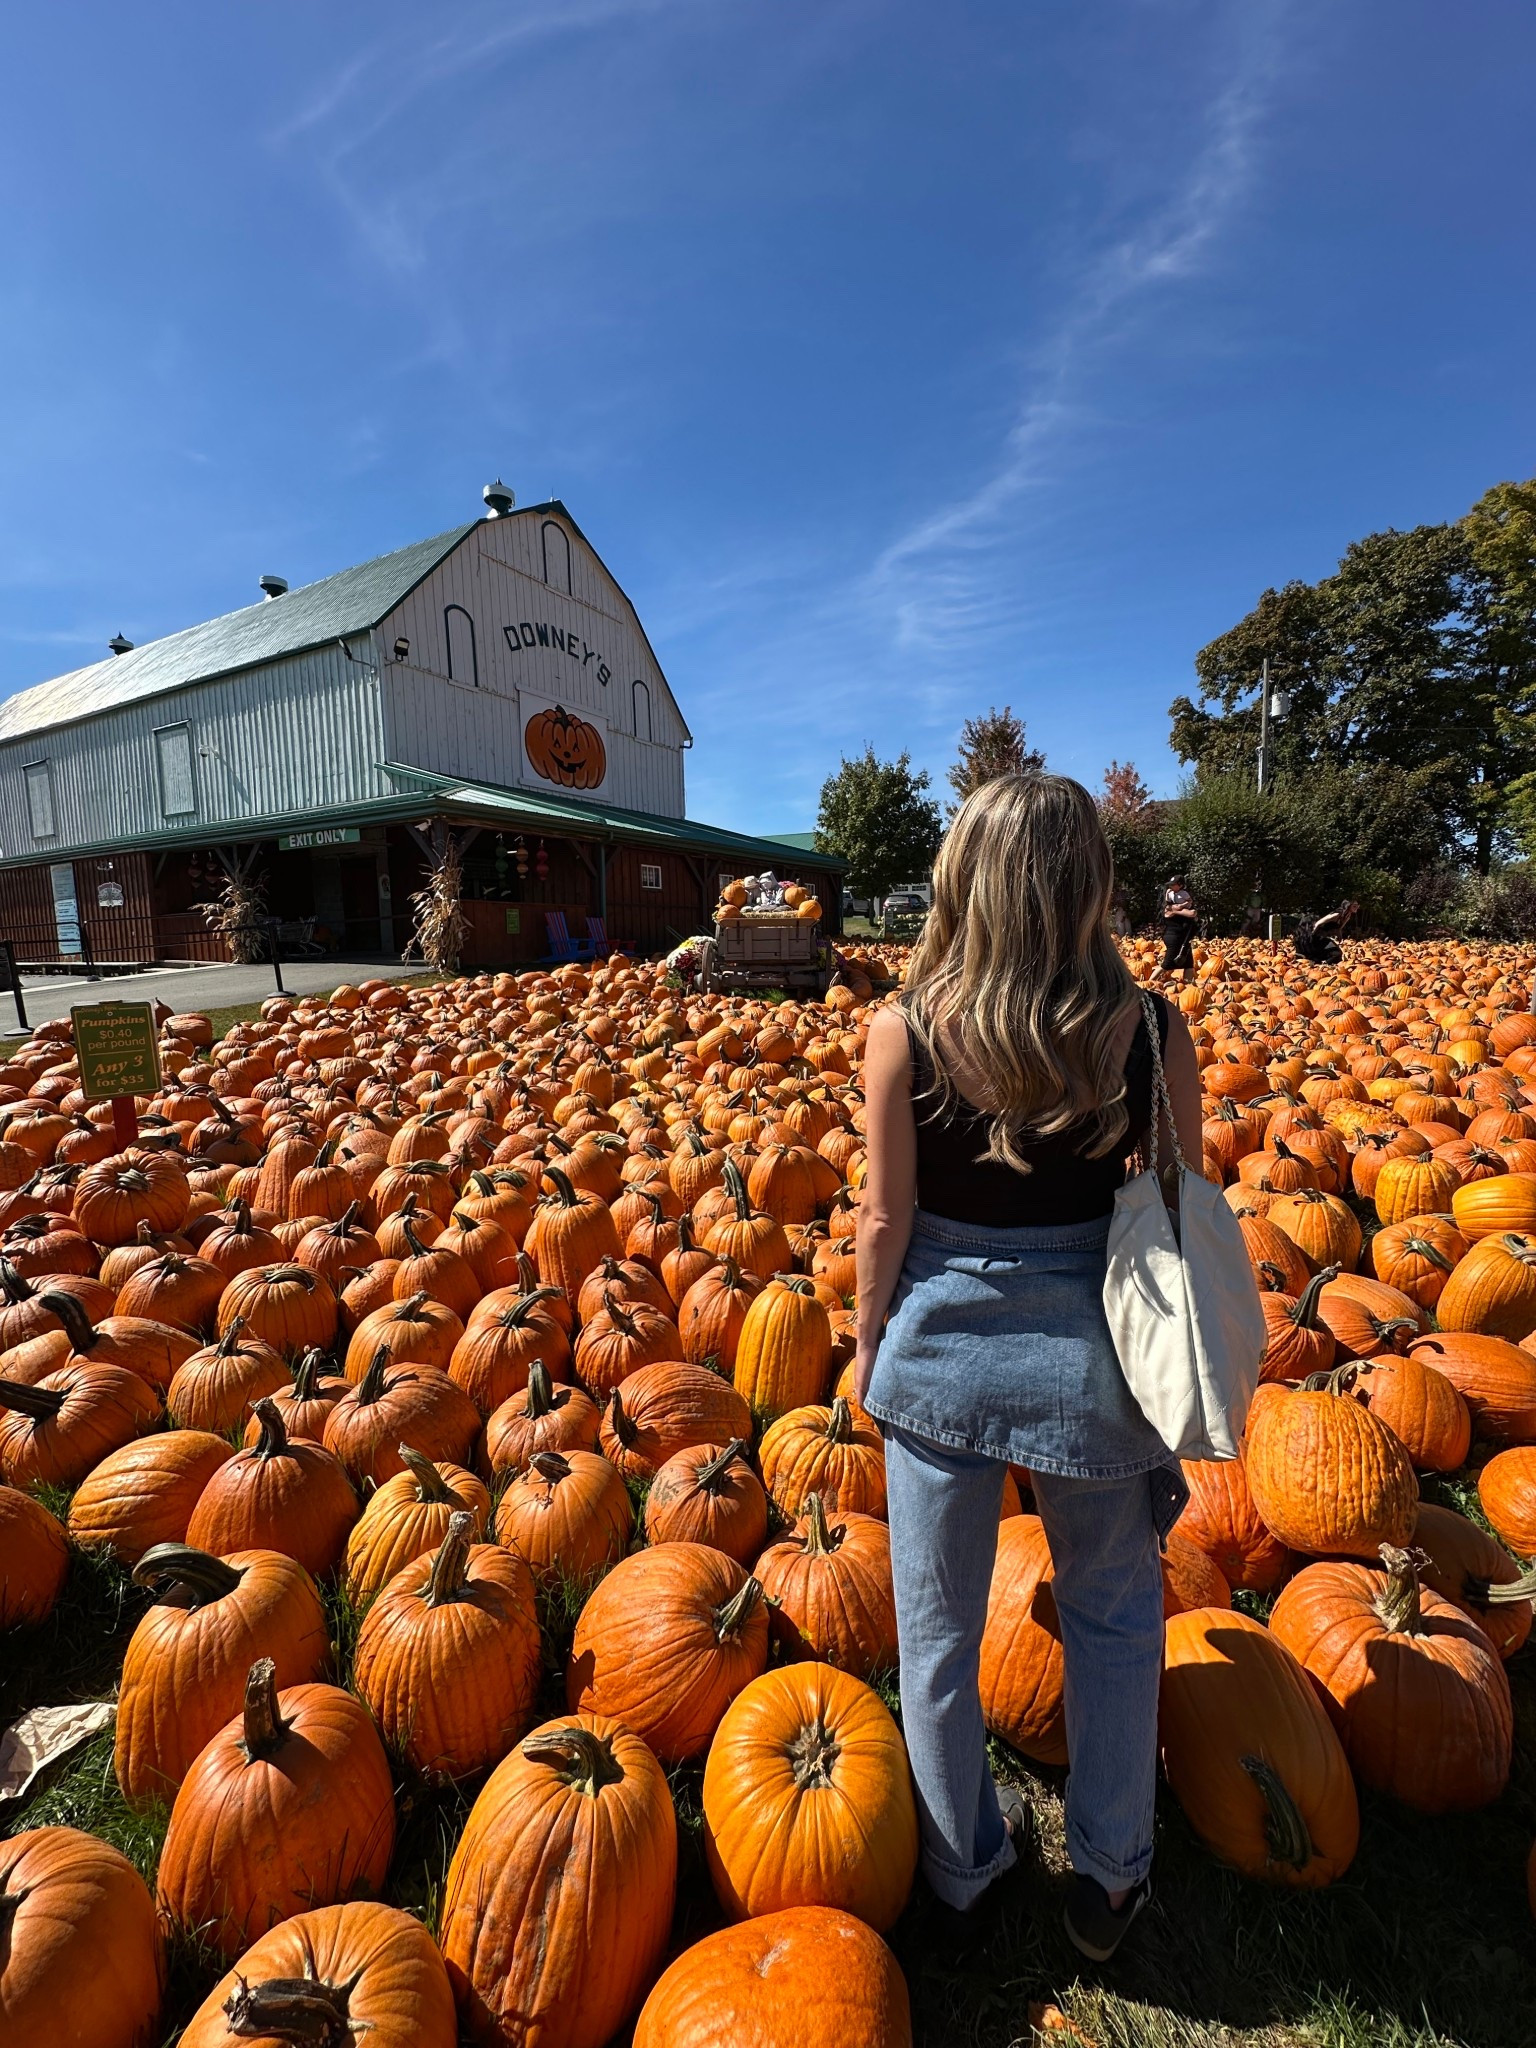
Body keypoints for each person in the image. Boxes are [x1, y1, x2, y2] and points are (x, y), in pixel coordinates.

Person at [856, 773, 1202, 1962]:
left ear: (966, 879)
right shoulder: (1150, 1030)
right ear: (1089, 884)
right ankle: (1110, 1876)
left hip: (940, 1342)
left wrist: (868, 1344)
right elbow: (1167, 1209)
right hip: (1096, 1352)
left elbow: (883, 1221)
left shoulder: (902, 1028)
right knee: (1114, 1615)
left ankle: (963, 1864)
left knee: (938, 1633)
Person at [1294, 899, 1358, 965]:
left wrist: (1340, 938)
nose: (1357, 907)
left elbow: (1339, 929)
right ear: (1348, 906)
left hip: (1322, 936)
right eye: (1354, 906)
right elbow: (1318, 923)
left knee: (1336, 952)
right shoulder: (1337, 914)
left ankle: (1319, 963)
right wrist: (1311, 936)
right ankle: (1322, 965)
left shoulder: (1347, 916)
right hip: (1314, 936)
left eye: (1357, 906)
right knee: (1336, 953)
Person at [1158, 876, 1198, 974]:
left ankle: (1189, 987)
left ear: (1180, 886)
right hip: (1174, 938)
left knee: (1188, 965)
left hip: (1183, 939)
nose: (1171, 887)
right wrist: (1180, 910)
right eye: (1170, 886)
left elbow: (1192, 911)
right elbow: (1192, 913)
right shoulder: (1169, 907)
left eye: (1173, 885)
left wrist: (1182, 907)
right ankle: (1147, 984)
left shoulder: (1176, 904)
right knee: (1166, 965)